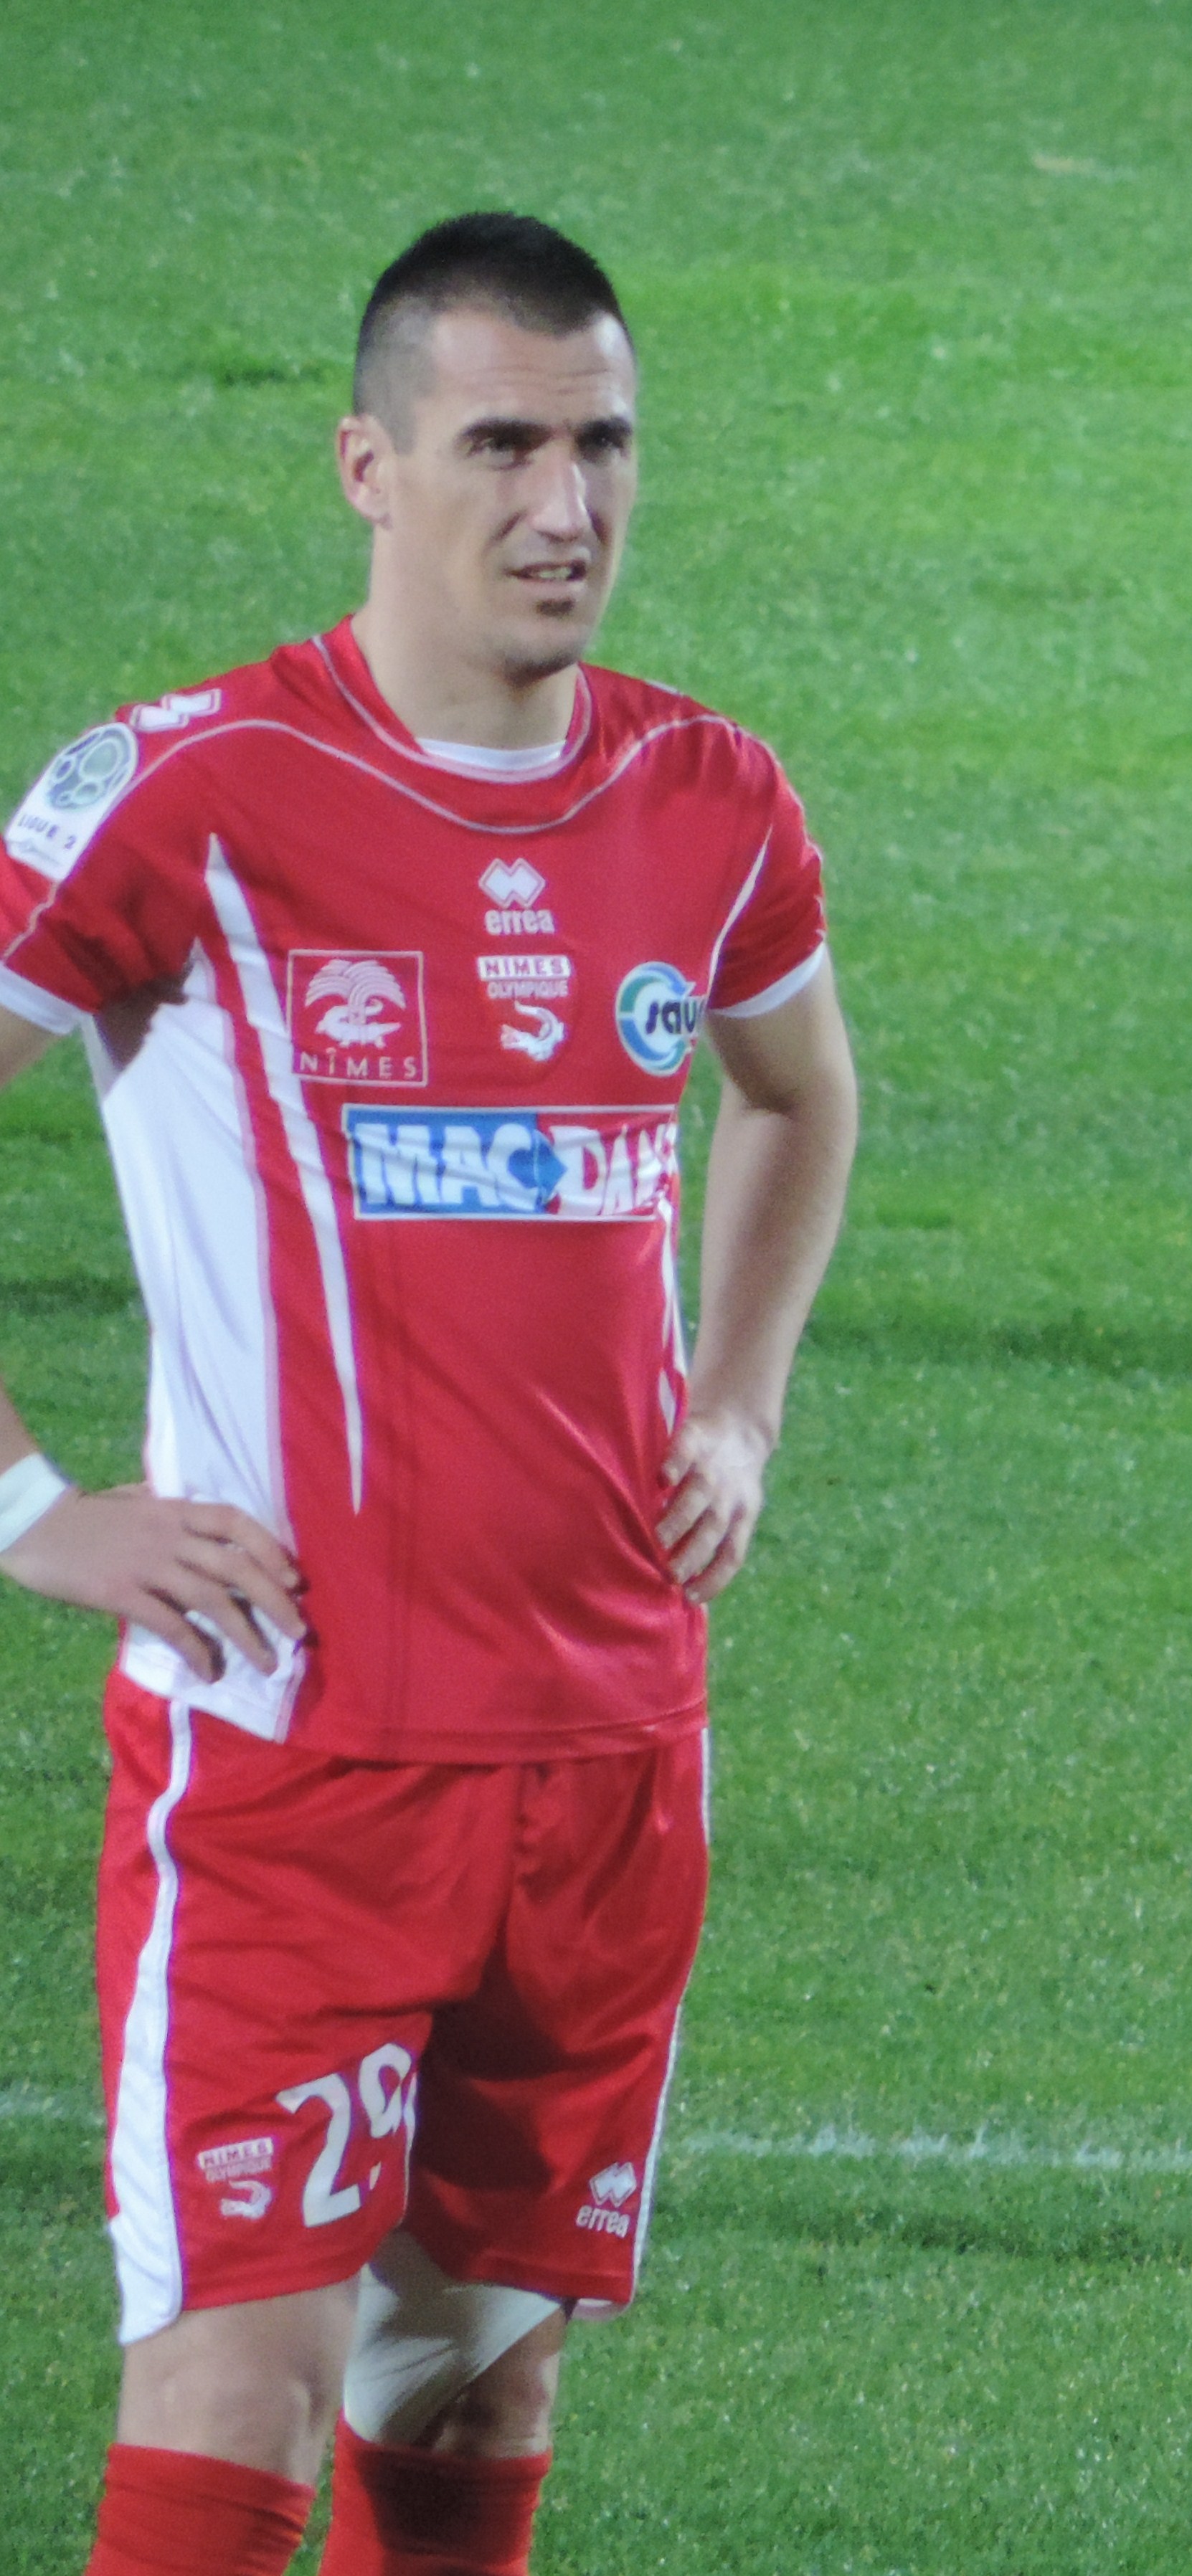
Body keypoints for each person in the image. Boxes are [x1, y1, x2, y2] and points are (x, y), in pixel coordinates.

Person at [0, 212, 858, 2576]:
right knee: (234, 2390)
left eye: (604, 445)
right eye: (503, 443)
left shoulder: (710, 799)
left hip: (602, 1754)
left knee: (470, 2372)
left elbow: (799, 1097)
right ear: (368, 466)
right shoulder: (191, 791)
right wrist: (33, 1506)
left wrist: (741, 1402)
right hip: (296, 1751)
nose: (564, 502)